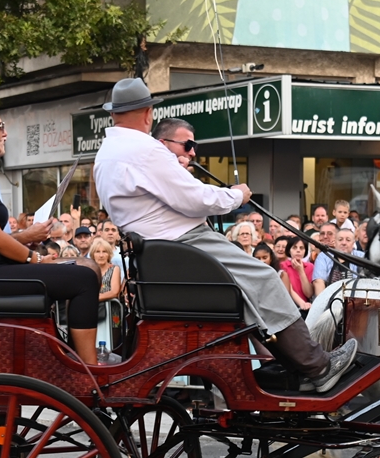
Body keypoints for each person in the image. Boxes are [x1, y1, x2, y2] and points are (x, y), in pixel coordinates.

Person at [90, 79, 356, 389]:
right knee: (264, 278)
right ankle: (318, 366)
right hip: (182, 243)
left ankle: (294, 366)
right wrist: (237, 195)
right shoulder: (145, 149)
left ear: (114, 114)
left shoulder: (106, 153)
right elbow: (194, 199)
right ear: (148, 113)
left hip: (156, 249)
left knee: (249, 291)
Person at [0, 99, 105, 364]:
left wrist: (27, 238)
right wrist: (35, 259)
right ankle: (87, 369)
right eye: (0, 126)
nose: (5, 133)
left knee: (89, 266)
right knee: (84, 279)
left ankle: (71, 356)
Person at [279, 238, 316, 311]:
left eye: (301, 248)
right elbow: (288, 290)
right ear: (289, 250)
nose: (298, 250)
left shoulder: (310, 266)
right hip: (288, 307)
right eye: (294, 247)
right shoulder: (282, 266)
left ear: (305, 251)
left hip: (306, 307)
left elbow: (309, 294)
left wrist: (301, 271)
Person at [88, 237, 122, 302]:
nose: (101, 255)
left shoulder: (114, 269)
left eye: (104, 252)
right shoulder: (89, 270)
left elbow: (114, 292)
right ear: (93, 254)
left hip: (109, 306)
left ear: (109, 254)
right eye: (97, 252)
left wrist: (92, 298)